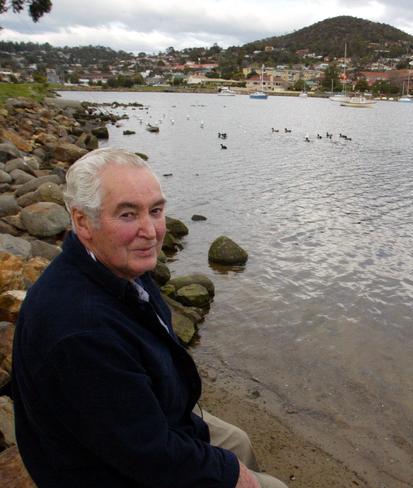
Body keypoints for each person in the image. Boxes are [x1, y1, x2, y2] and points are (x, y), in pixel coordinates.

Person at [11, 148, 287, 488]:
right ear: (82, 221)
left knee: (238, 442)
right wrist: (231, 475)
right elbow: (147, 453)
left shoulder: (117, 264)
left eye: (155, 211)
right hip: (103, 470)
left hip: (147, 415)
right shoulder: (80, 332)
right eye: (127, 215)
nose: (151, 231)